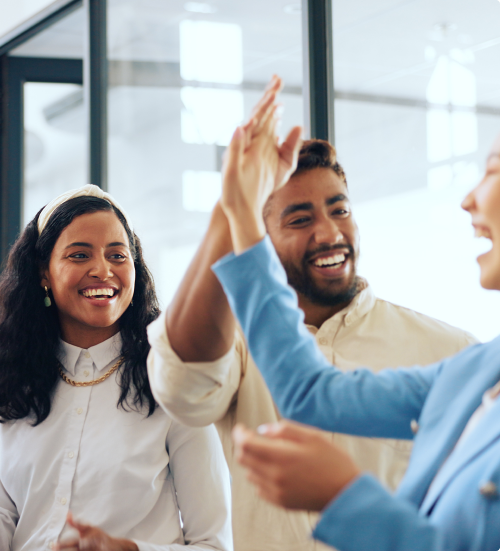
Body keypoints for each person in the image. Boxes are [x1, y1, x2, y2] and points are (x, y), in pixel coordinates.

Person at [146, 77, 475, 550]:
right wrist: (233, 204)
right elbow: (181, 386)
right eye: (300, 219)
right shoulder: (235, 346)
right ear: (256, 236)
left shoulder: (452, 353)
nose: (328, 232)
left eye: (339, 210)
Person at [0, 185, 232, 551]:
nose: (103, 270)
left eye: (118, 255)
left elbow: (214, 544)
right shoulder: (6, 385)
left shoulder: (172, 381)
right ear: (43, 274)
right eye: (79, 255)